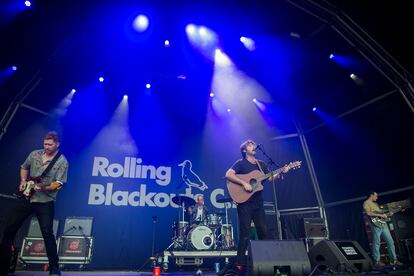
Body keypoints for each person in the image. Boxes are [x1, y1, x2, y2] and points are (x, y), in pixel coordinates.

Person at [1, 131, 68, 276]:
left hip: (45, 201)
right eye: (45, 144)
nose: (47, 147)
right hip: (27, 198)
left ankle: (54, 268)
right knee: (9, 229)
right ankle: (3, 265)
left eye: (50, 144)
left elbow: (59, 183)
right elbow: (24, 167)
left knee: (47, 233)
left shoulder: (62, 161)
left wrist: (44, 188)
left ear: (57, 145)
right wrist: (23, 181)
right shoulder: (35, 154)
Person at [225, 140, 286, 270]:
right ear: (244, 150)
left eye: (253, 144)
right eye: (250, 144)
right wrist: (244, 183)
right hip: (245, 204)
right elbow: (228, 174)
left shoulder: (261, 164)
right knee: (245, 234)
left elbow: (269, 178)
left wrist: (280, 172)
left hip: (258, 203)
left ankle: (266, 262)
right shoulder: (240, 163)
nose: (254, 145)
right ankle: (240, 264)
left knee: (263, 231)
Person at [363, 191, 402, 267]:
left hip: (383, 224)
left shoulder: (375, 204)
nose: (377, 197)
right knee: (377, 243)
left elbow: (381, 214)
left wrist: (388, 214)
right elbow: (368, 213)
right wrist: (381, 215)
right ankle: (377, 262)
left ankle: (394, 260)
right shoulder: (366, 203)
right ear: (371, 195)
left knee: (390, 241)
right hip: (375, 225)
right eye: (376, 196)